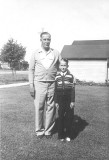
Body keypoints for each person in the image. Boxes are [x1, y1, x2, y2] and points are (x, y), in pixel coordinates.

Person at [29, 32, 61, 139]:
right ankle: (39, 131)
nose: (47, 41)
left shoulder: (56, 53)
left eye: (48, 39)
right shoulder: (35, 53)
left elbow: (62, 66)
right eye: (45, 39)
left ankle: (48, 131)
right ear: (41, 40)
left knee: (51, 107)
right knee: (39, 107)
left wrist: (68, 76)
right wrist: (31, 85)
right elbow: (31, 70)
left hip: (52, 84)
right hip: (39, 84)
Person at [55, 58, 75, 142]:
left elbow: (73, 90)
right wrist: (56, 101)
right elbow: (55, 90)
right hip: (60, 99)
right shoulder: (57, 76)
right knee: (61, 118)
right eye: (61, 65)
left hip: (68, 99)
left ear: (67, 66)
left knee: (69, 118)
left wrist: (72, 101)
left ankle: (68, 135)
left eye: (64, 65)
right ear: (59, 66)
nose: (63, 67)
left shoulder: (71, 76)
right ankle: (61, 135)